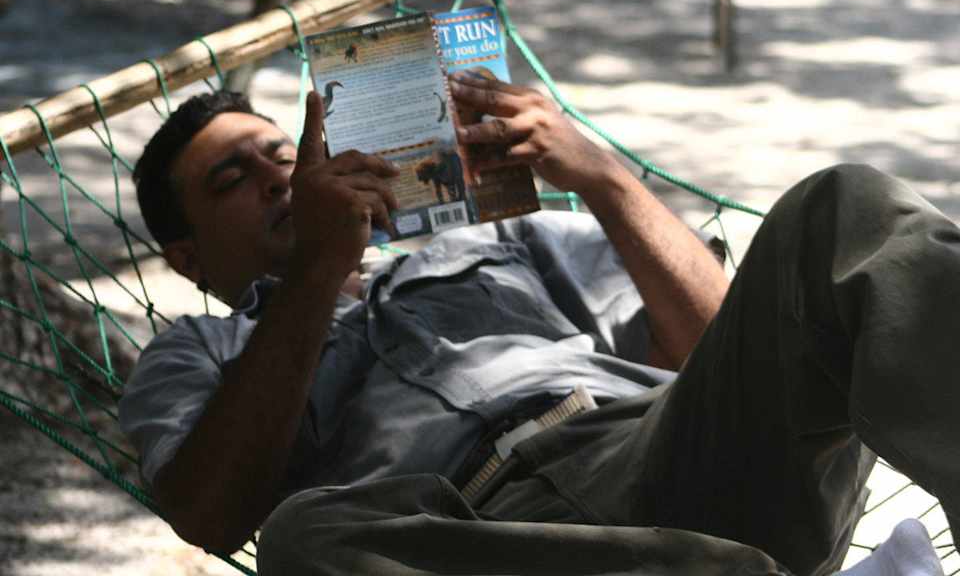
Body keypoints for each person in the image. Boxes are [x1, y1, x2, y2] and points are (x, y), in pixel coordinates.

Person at [119, 71, 960, 576]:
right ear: (187, 260)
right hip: (478, 539)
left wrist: (603, 178)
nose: (278, 177)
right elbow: (212, 514)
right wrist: (318, 268)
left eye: (281, 152)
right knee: (303, 542)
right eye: (234, 177)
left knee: (843, 206)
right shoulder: (195, 352)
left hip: (658, 453)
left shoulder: (503, 237)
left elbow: (730, 346)